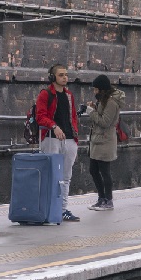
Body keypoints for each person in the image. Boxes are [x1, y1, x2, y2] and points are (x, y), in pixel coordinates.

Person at [37, 63, 82, 222]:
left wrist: (75, 133)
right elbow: (40, 116)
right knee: (51, 175)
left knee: (66, 176)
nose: (65, 78)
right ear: (52, 77)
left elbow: (73, 116)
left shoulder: (69, 95)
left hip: (70, 139)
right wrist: (54, 126)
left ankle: (62, 210)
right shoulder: (45, 94)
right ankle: (49, 209)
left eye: (66, 75)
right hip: (51, 138)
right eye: (61, 75)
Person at [85, 74, 125, 210]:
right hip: (97, 140)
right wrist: (94, 109)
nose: (94, 92)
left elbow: (105, 122)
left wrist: (90, 112)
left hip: (105, 141)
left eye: (96, 89)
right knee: (93, 170)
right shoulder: (103, 100)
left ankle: (108, 200)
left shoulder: (112, 102)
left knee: (104, 171)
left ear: (102, 89)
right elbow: (101, 116)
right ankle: (101, 198)